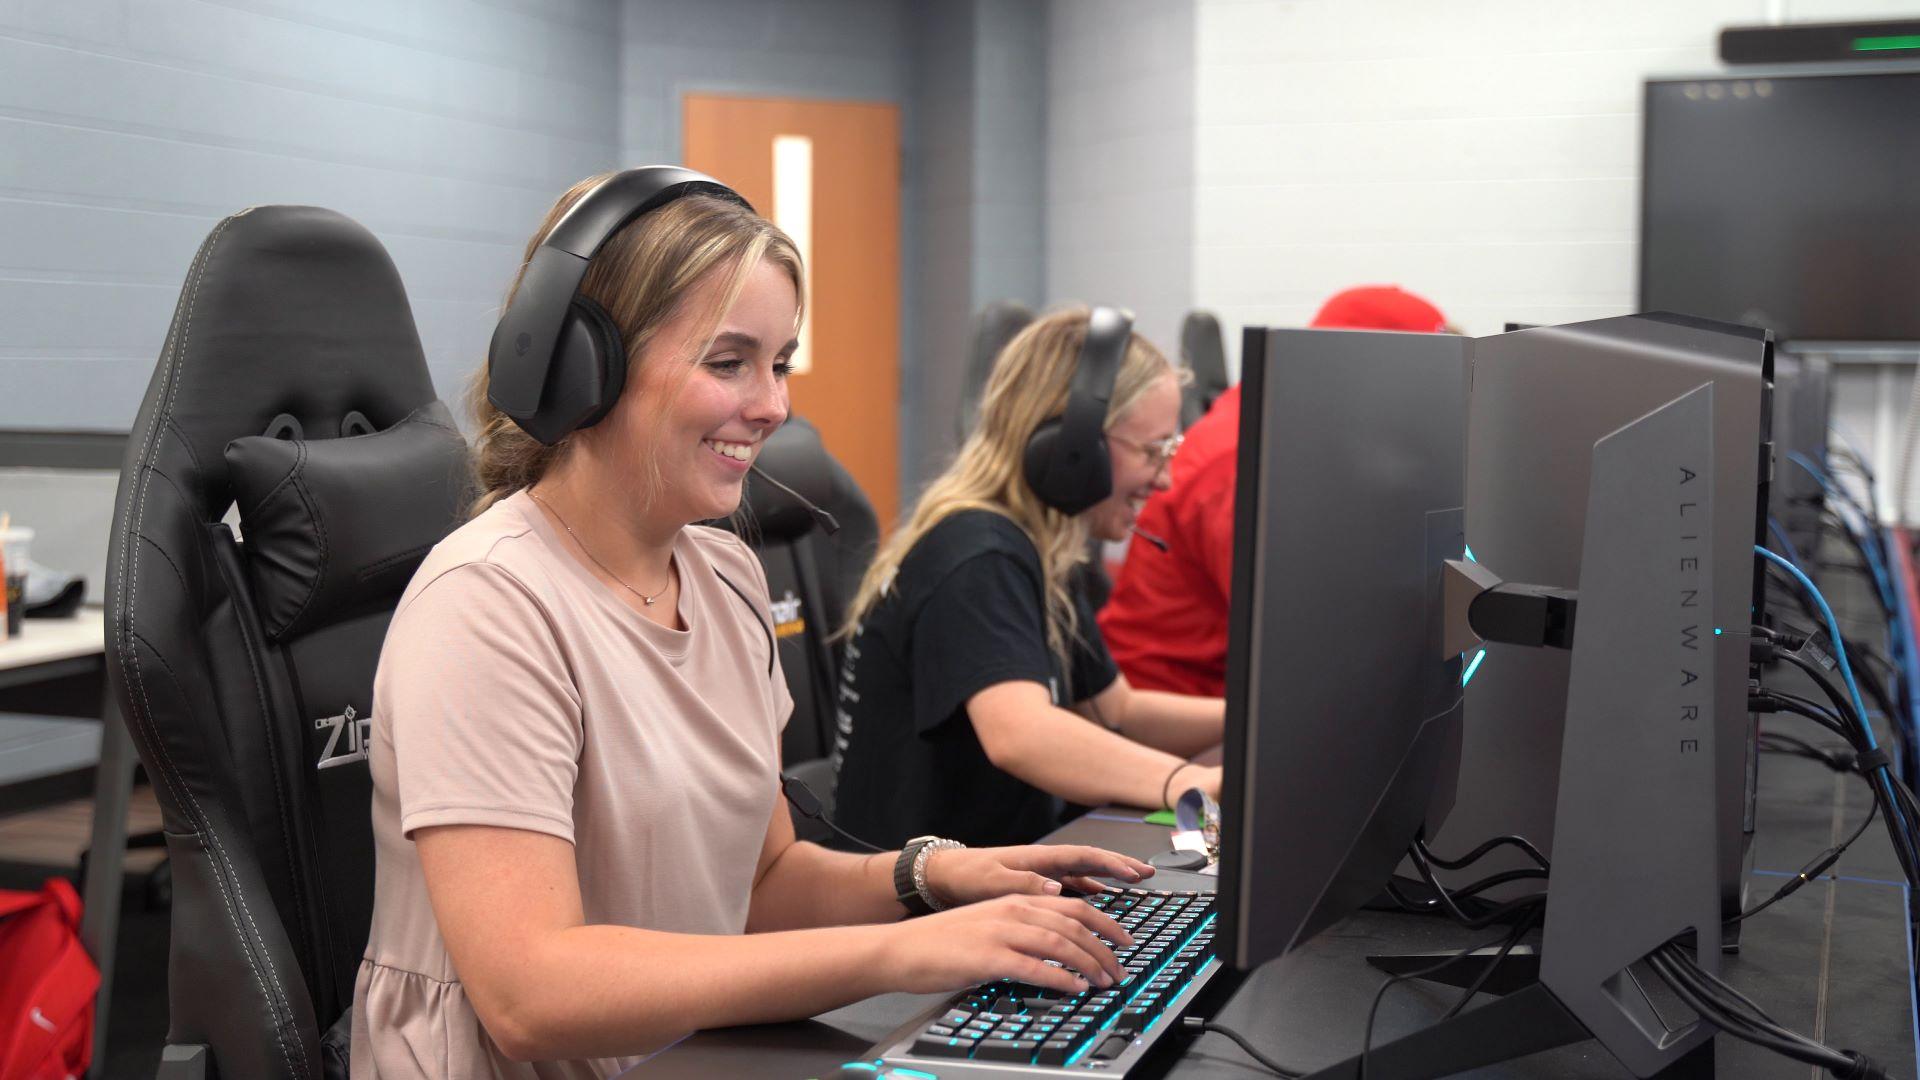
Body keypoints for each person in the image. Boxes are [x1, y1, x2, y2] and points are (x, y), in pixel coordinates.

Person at [350, 170, 1157, 1080]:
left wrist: (930, 878)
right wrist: (907, 954)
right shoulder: (487, 605)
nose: (773, 404)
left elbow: (763, 886)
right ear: (582, 370)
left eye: (781, 364)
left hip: (692, 1055)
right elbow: (531, 996)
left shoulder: (727, 573)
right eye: (728, 362)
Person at [831, 307, 1227, 852]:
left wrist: (1255, 726)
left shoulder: (1042, 546)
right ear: (1072, 447)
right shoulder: (978, 553)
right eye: (1152, 451)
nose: (1165, 477)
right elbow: (1021, 735)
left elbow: (1117, 711)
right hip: (919, 910)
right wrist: (1184, 784)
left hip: (995, 883)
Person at [1098, 285, 1452, 697]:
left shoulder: (1302, 423)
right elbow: (1298, 634)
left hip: (1231, 694)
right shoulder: (1241, 460)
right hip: (1177, 708)